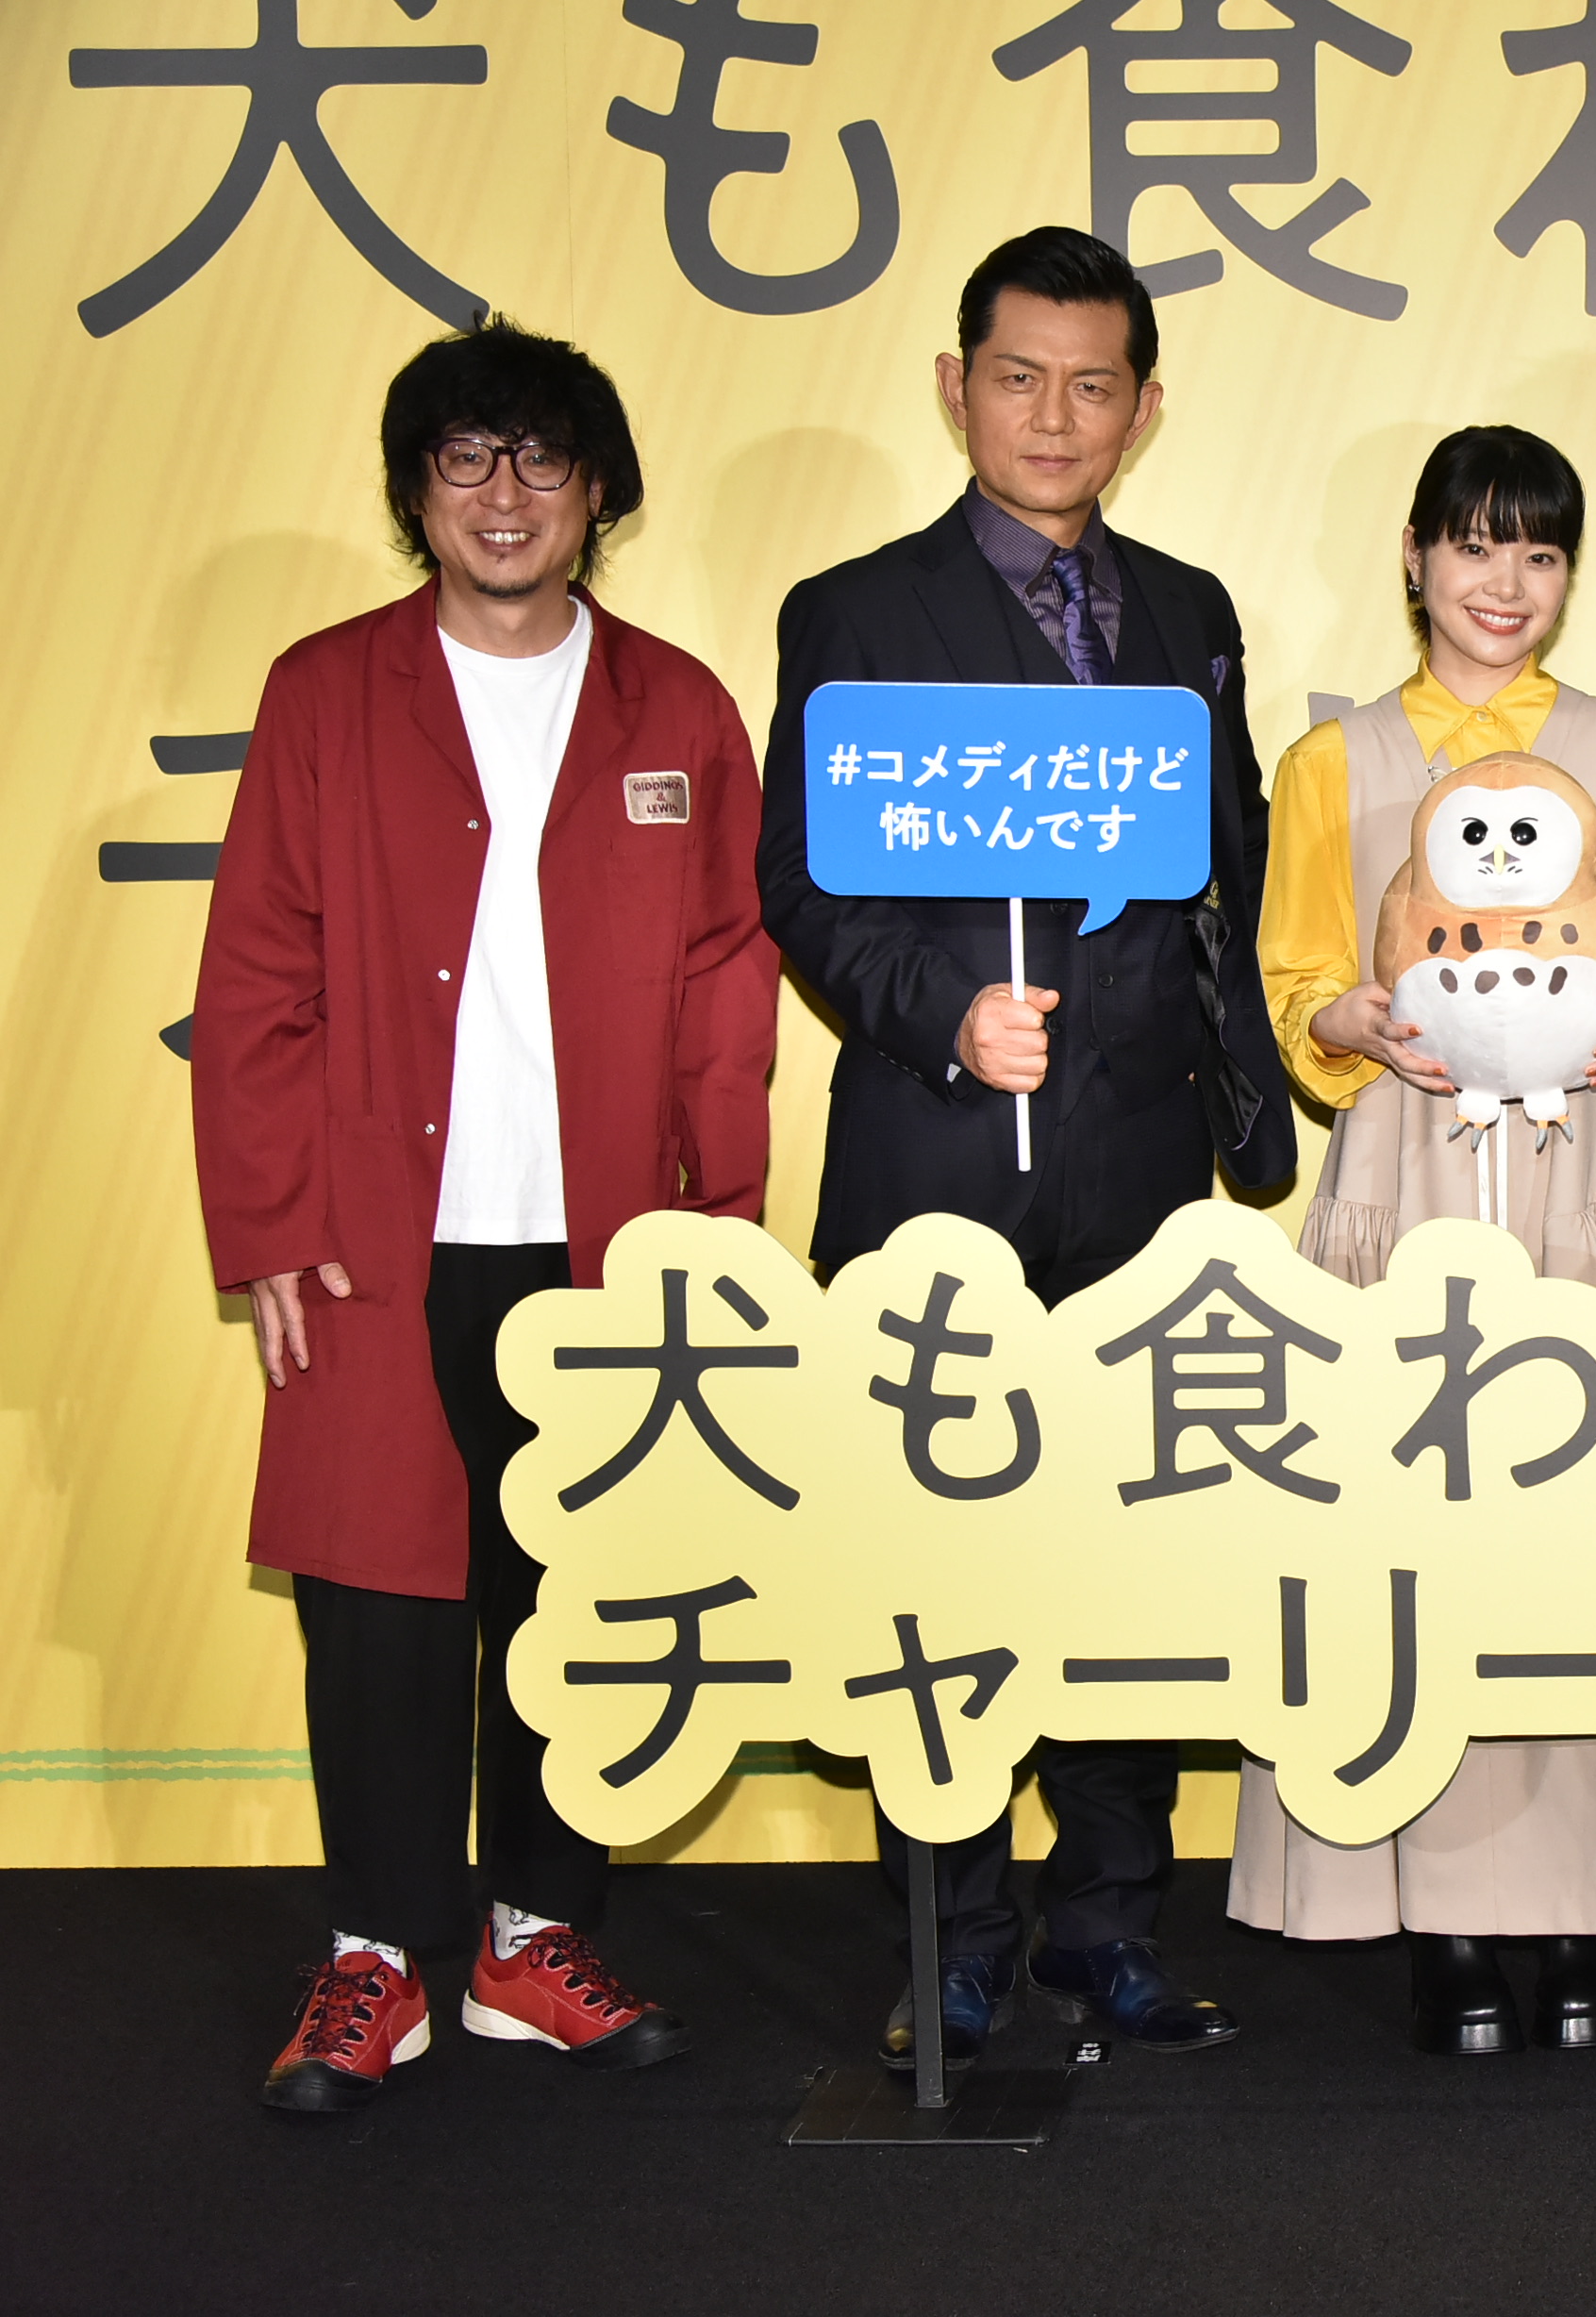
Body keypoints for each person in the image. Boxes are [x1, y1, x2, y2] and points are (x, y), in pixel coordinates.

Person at [193, 321, 774, 2111]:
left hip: (601, 1241)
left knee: (569, 1591)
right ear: (416, 492)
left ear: (599, 493)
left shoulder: (679, 707)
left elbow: (726, 985)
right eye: (464, 458)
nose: (503, 494)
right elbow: (259, 971)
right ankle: (376, 1960)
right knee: (376, 1595)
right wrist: (271, 1218)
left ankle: (534, 1943)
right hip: (380, 1230)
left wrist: (717, 1236)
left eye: (540, 459)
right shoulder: (326, 691)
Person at [757, 225, 1295, 2075]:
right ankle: (956, 1934)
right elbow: (803, 884)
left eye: (1092, 384)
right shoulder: (855, 611)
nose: (1053, 416)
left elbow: (1228, 861)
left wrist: (1248, 1086)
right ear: (954, 388)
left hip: (1139, 1171)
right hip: (933, 1156)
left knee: (1127, 1547)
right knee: (941, 1560)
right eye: (1017, 377)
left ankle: (1110, 1924)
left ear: (1142, 409)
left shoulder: (1188, 611)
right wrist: (939, 1012)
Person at [1227, 425, 1596, 2053]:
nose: (1506, 583)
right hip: (1408, 1173)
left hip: (1595, 1172)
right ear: (1415, 558)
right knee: (1407, 1539)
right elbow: (1293, 980)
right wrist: (1347, 1021)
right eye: (1475, 546)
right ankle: (1443, 1919)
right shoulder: (1334, 761)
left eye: (1540, 553)